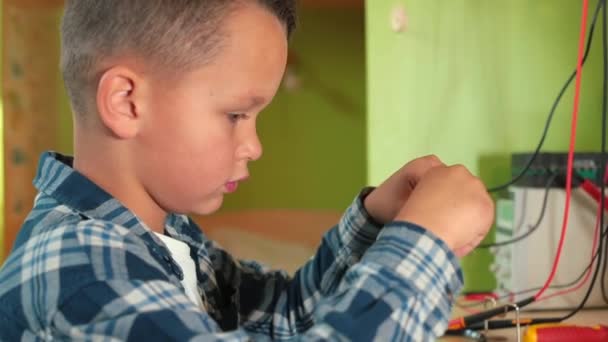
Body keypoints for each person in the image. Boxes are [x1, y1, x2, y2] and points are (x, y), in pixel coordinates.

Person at [0, 0, 494, 340]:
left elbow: (279, 320)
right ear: (127, 101)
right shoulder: (82, 272)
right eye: (236, 115)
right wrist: (421, 246)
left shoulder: (161, 239)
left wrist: (376, 224)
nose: (254, 146)